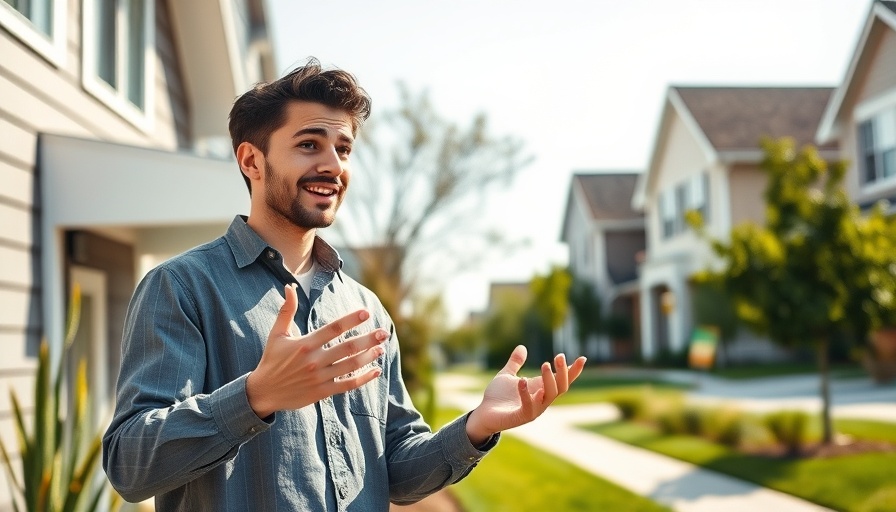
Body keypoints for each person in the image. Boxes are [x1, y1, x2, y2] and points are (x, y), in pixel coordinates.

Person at [102, 57, 587, 511]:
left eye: (344, 148)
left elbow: (396, 470)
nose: (333, 165)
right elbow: (129, 466)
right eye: (309, 144)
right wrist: (255, 396)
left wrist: (477, 428)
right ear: (251, 161)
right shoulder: (182, 288)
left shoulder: (366, 310)